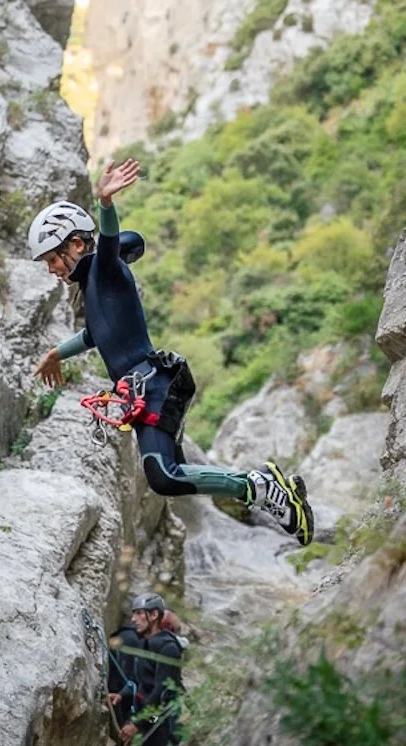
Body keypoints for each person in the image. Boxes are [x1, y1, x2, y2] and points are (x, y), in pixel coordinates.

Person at [27, 159, 314, 546]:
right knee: (169, 475)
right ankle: (274, 492)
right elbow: (95, 335)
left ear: (77, 244)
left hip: (155, 382)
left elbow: (110, 246)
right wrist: (56, 354)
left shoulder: (104, 272)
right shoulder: (94, 289)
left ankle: (261, 487)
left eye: (52, 259)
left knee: (164, 476)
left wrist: (105, 204)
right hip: (147, 386)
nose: (51, 270)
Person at [109, 593, 183, 746]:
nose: (133, 619)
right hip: (144, 720)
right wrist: (122, 695)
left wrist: (135, 724)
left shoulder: (168, 648)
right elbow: (137, 680)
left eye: (138, 614)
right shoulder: (144, 643)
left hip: (161, 725)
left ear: (153, 615)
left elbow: (160, 692)